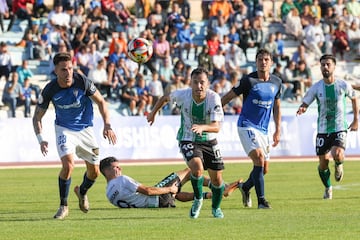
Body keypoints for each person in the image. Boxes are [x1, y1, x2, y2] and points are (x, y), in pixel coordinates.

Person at [32, 52, 117, 219]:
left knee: (94, 172)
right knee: (68, 166)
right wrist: (41, 140)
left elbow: (101, 102)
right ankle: (63, 206)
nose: (68, 73)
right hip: (64, 129)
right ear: (55, 71)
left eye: (70, 68)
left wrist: (107, 125)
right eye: (64, 70)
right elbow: (37, 117)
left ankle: (82, 192)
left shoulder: (82, 81)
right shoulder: (50, 89)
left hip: (86, 130)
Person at [147, 67, 226, 219]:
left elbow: (217, 127)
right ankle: (198, 199)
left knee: (217, 180)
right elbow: (164, 98)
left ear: (208, 83)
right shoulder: (183, 95)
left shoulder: (214, 98)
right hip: (188, 138)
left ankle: (216, 208)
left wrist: (203, 127)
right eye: (195, 82)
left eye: (202, 82)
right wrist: (153, 113)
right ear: (190, 83)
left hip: (209, 140)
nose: (199, 86)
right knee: (196, 168)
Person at [221, 49, 282, 209]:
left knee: (264, 169)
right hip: (246, 125)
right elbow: (228, 97)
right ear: (256, 62)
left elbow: (277, 105)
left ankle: (245, 187)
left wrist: (277, 129)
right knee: (259, 159)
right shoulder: (248, 81)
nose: (263, 62)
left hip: (263, 130)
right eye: (260, 59)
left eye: (266, 59)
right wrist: (212, 110)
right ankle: (261, 201)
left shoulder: (276, 82)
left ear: (271, 62)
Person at [296, 54, 358, 200]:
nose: (325, 67)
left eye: (328, 64)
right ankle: (328, 187)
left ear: (334, 67)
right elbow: (306, 101)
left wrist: (356, 120)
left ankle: (339, 164)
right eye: (323, 64)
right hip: (323, 130)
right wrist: (302, 108)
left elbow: (354, 98)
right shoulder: (317, 87)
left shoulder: (343, 85)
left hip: (339, 128)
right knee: (323, 164)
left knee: (337, 153)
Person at [99, 156, 241, 208]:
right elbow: (148, 191)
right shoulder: (122, 180)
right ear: (107, 171)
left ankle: (211, 195)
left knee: (177, 195)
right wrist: (168, 190)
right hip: (157, 198)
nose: (119, 169)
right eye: (115, 167)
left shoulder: (108, 193)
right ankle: (221, 188)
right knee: (188, 171)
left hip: (156, 204)